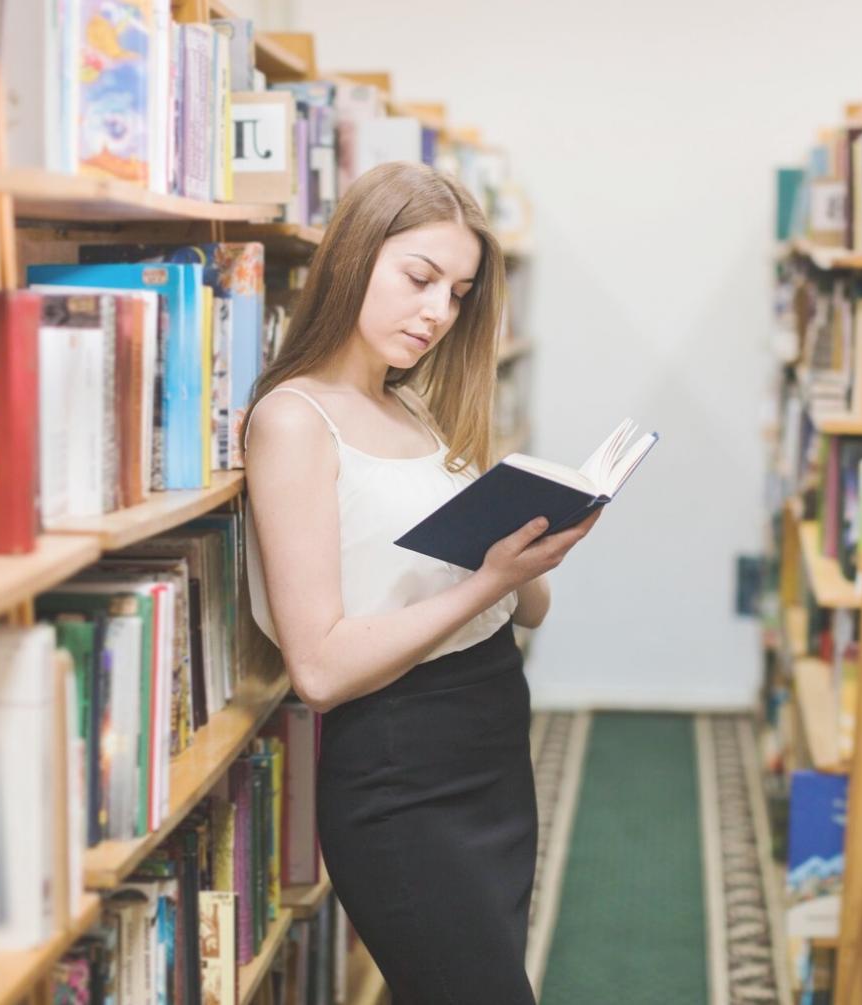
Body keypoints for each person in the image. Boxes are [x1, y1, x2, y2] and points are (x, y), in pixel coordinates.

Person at [242, 160, 601, 1005]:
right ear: (355, 257)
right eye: (419, 278)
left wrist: (534, 551)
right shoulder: (295, 420)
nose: (438, 312)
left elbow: (525, 612)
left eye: (460, 292)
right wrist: (489, 583)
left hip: (489, 740)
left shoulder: (415, 409)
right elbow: (320, 668)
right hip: (400, 769)